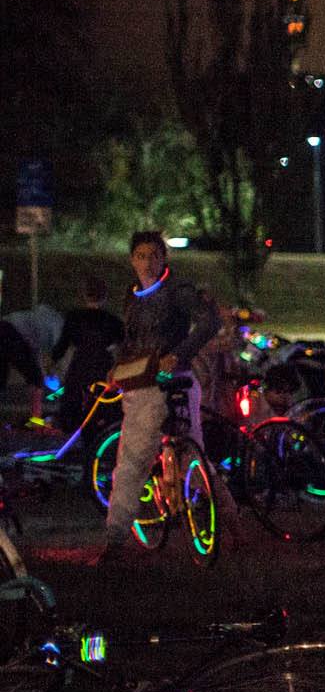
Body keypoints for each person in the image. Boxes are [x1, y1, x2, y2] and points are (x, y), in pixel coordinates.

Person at [97, 231, 221, 559]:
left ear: (164, 258)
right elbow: (130, 339)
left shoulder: (178, 291)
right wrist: (118, 368)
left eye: (154, 255)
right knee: (132, 461)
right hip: (140, 386)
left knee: (193, 455)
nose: (148, 262)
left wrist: (178, 354)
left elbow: (209, 322)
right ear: (131, 259)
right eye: (141, 255)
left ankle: (217, 519)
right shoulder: (133, 294)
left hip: (174, 381)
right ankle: (116, 536)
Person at [51, 277, 123, 432]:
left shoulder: (74, 318)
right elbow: (123, 345)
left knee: (74, 400)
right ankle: (101, 429)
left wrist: (51, 360)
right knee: (102, 401)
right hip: (103, 364)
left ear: (84, 295)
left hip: (80, 363)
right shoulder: (112, 321)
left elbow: (63, 344)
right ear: (105, 296)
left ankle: (73, 432)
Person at [0, 300, 62, 415]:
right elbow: (48, 356)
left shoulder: (37, 315)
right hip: (13, 334)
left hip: (4, 325)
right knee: (36, 380)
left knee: (2, 378)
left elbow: (34, 353)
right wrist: (50, 374)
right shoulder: (58, 325)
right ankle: (36, 421)